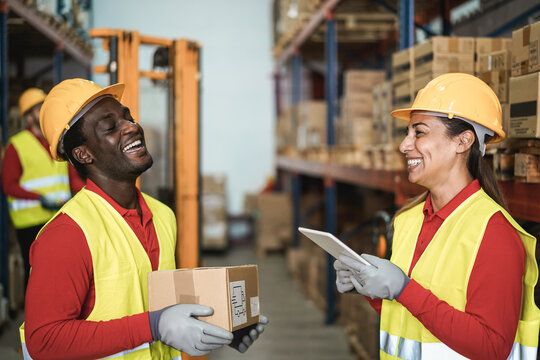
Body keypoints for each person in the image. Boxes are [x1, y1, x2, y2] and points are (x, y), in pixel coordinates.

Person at [20, 78, 268, 359]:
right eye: (111, 127)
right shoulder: (67, 234)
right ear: (83, 154)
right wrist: (155, 325)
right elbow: (44, 341)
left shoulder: (162, 215)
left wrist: (221, 325)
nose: (132, 127)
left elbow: (159, 307)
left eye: (129, 117)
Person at [334, 73, 540, 360]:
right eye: (407, 133)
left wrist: (403, 288)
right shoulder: (408, 220)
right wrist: (372, 287)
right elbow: (408, 319)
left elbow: (492, 348)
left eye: (419, 132)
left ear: (463, 141)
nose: (404, 145)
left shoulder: (494, 233)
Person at [1, 88, 85, 291]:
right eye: (39, 110)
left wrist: (89, 196)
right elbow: (8, 185)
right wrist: (39, 198)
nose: (44, 114)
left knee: (63, 270)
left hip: (59, 218)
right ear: (29, 116)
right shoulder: (17, 145)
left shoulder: (57, 142)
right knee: (36, 274)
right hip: (30, 222)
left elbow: (71, 178)